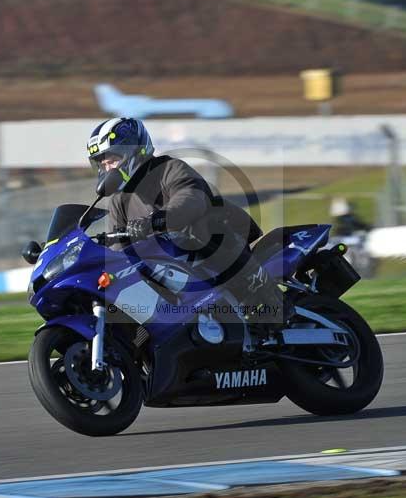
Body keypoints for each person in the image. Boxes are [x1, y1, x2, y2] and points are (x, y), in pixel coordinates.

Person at [86, 117, 290, 337]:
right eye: (103, 164)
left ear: (135, 151)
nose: (108, 169)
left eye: (113, 160)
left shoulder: (168, 168)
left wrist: (157, 220)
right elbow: (118, 249)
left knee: (200, 229)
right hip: (169, 267)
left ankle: (268, 296)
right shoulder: (119, 200)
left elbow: (191, 198)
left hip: (213, 242)